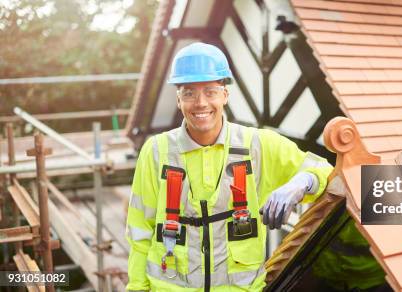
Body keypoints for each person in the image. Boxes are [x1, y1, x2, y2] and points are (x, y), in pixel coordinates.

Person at [125, 42, 332, 291]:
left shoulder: (258, 145)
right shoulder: (156, 151)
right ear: (178, 99)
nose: (201, 102)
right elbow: (140, 232)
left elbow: (326, 170)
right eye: (189, 92)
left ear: (225, 95)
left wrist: (302, 182)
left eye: (210, 91)